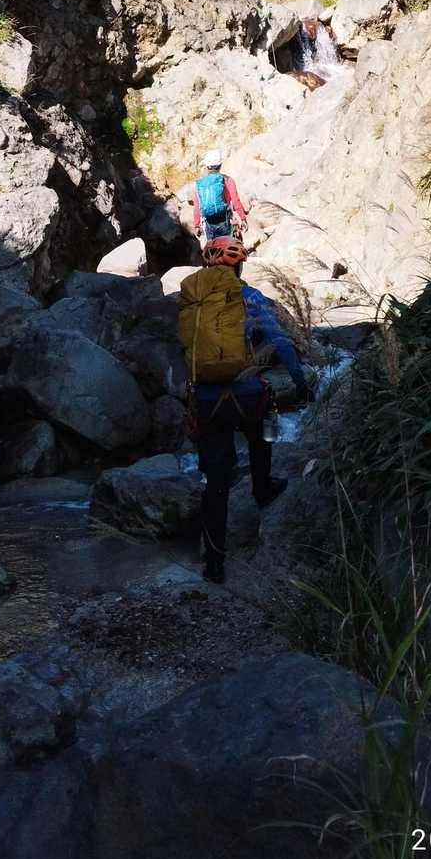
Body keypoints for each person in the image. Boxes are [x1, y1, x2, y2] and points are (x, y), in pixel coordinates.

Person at [184, 235, 310, 585]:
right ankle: (262, 485)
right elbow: (279, 340)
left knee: (216, 482)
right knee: (268, 417)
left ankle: (214, 562)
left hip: (206, 401)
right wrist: (299, 379)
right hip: (246, 396)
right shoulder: (250, 297)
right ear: (239, 267)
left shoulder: (194, 300)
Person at [191, 149, 247, 245]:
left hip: (209, 224)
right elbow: (236, 201)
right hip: (226, 222)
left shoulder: (200, 184)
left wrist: (196, 225)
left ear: (206, 166)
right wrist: (243, 218)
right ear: (220, 165)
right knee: (231, 247)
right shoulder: (227, 180)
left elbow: (197, 207)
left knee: (212, 250)